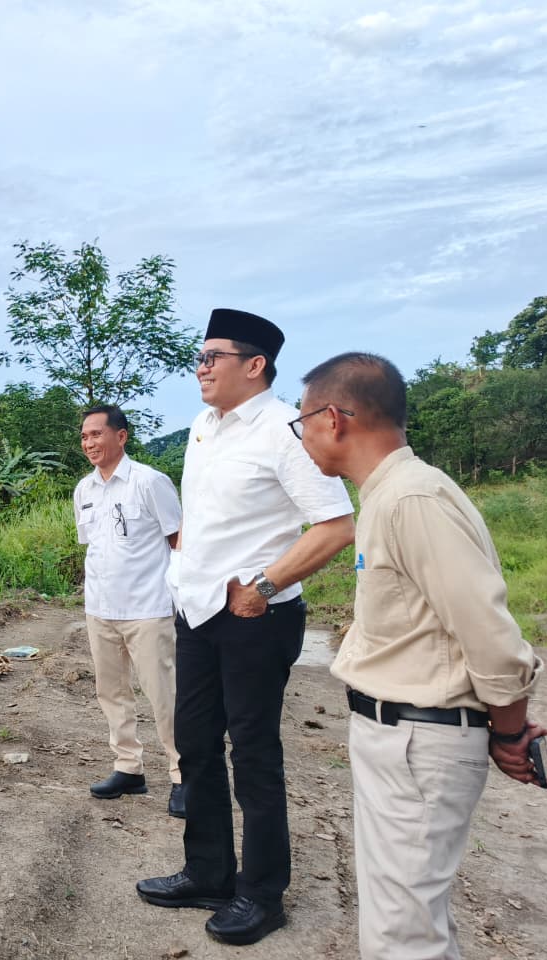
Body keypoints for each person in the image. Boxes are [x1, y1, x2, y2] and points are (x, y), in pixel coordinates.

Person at [294, 352, 547, 960]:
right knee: (408, 921)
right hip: (404, 738)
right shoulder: (391, 495)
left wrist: (509, 732)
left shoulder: (411, 499)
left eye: (301, 421)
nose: (301, 436)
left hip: (418, 741)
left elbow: (490, 636)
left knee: (403, 937)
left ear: (333, 418)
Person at [137, 308, 355, 947]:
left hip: (256, 619)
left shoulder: (283, 430)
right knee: (195, 746)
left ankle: (262, 894)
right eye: (199, 358)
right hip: (198, 612)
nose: (200, 369)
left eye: (213, 357)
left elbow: (336, 525)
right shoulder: (204, 426)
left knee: (253, 754)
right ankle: (208, 872)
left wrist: (265, 586)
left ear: (255, 364)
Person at [73, 405, 185, 816]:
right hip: (101, 607)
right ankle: (128, 767)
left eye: (96, 434)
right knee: (112, 692)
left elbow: (179, 539)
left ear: (121, 436)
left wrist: (181, 593)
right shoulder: (84, 489)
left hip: (147, 607)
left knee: (163, 695)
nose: (89, 443)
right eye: (84, 436)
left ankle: (183, 774)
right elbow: (95, 545)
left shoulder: (149, 482)